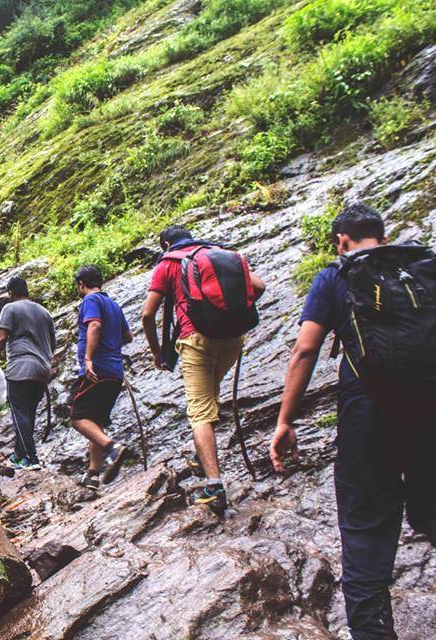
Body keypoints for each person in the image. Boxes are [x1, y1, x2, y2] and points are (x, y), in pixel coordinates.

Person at [270, 203, 435, 640]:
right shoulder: (422, 266)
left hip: (368, 417)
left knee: (365, 530)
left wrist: (285, 422)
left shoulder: (335, 277)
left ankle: (372, 631)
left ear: (342, 240)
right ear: (382, 234)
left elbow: (305, 350)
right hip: (429, 411)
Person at [140, 225, 266, 515]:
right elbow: (258, 287)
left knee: (198, 411)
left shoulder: (168, 263)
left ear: (166, 244)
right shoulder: (218, 253)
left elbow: (148, 314)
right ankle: (202, 457)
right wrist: (233, 314)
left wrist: (158, 351)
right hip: (232, 339)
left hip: (195, 339)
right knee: (210, 397)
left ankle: (213, 484)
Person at [0, 276, 56, 470]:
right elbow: (52, 342)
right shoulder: (44, 311)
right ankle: (19, 454)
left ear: (10, 293)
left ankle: (31, 458)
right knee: (27, 413)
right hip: (42, 368)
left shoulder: (10, 308)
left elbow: (0, 337)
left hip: (21, 367)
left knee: (19, 412)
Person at [70, 266, 133, 492]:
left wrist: (88, 358)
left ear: (81, 283)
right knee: (95, 422)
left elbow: (94, 325)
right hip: (114, 372)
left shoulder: (91, 300)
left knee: (78, 417)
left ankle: (113, 447)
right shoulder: (114, 306)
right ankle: (93, 475)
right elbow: (127, 336)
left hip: (97, 370)